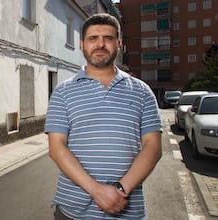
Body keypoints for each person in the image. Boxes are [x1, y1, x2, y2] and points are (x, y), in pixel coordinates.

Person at [44, 13, 162, 220]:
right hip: (72, 211)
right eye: (93, 38)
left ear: (119, 43)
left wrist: (119, 189)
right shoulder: (62, 92)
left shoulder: (142, 92)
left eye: (108, 38)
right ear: (82, 44)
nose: (100, 44)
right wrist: (97, 190)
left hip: (127, 210)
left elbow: (153, 146)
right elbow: (56, 148)